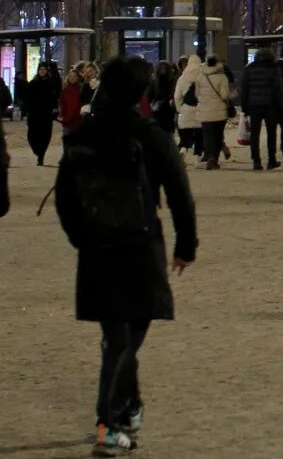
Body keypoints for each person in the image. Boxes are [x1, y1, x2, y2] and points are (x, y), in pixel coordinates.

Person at [53, 57, 196, 457]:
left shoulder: (84, 134)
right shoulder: (152, 136)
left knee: (117, 337)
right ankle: (110, 423)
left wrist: (81, 238)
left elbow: (65, 198)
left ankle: (127, 408)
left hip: (97, 247)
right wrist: (186, 247)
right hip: (140, 243)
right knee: (127, 338)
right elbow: (181, 197)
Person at [173, 55, 232, 170]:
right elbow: (201, 95)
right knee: (203, 137)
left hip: (186, 111)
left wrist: (180, 109)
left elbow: (177, 96)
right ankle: (200, 159)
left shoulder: (182, 78)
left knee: (185, 138)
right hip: (202, 111)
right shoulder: (203, 75)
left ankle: (183, 151)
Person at [237, 50, 283, 173]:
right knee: (271, 133)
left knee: (255, 134)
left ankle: (256, 160)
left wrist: (244, 106)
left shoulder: (249, 69)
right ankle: (271, 159)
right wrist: (281, 105)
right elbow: (278, 89)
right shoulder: (274, 68)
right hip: (270, 105)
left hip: (254, 105)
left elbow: (245, 88)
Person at [23, 63, 60, 164]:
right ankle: (37, 151)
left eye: (44, 69)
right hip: (34, 114)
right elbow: (27, 99)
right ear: (38, 70)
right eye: (41, 69)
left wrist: (54, 109)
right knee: (31, 135)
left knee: (45, 135)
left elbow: (55, 97)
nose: (42, 71)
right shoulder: (32, 83)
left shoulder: (50, 84)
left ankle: (41, 155)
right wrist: (28, 110)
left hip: (46, 114)